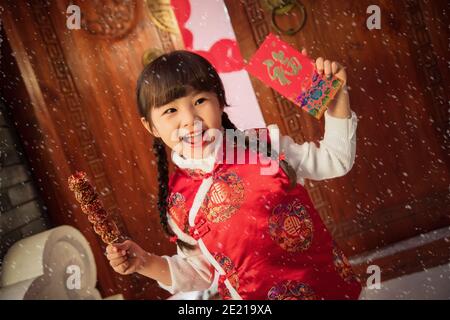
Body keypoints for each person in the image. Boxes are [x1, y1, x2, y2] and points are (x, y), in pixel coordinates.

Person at [105, 50, 361, 300]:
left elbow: (335, 160)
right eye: (170, 111)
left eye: (199, 101)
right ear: (151, 126)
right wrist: (144, 262)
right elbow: (200, 273)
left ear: (219, 101)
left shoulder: (264, 147)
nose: (190, 119)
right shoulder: (178, 203)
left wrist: (337, 100)